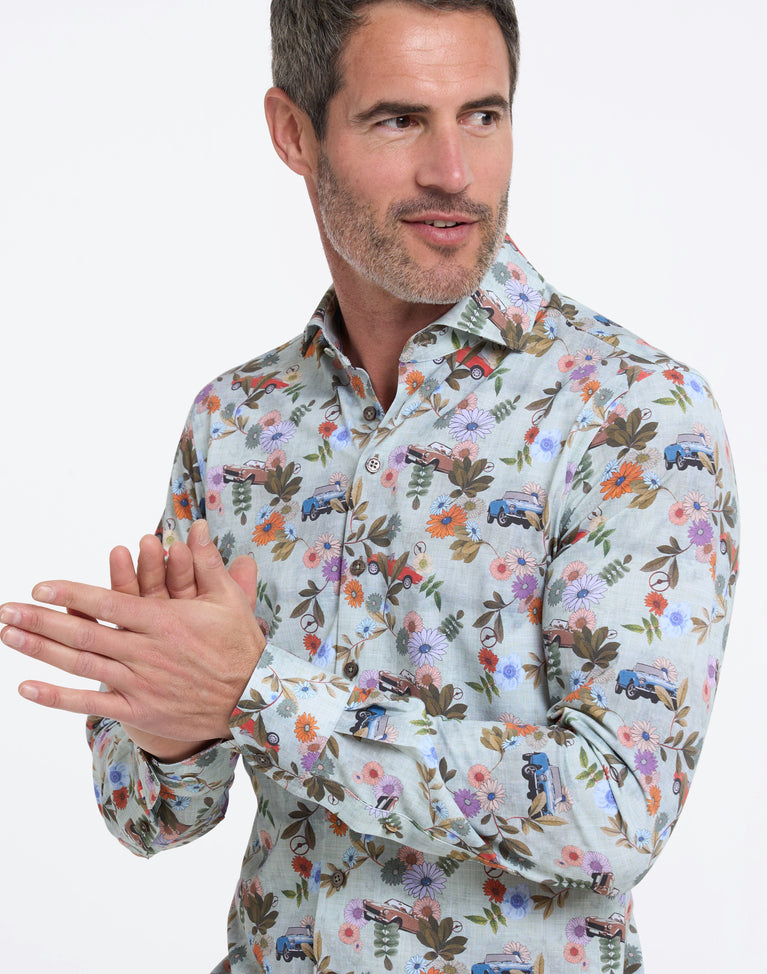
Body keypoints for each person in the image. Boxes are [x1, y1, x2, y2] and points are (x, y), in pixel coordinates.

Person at [1, 2, 739, 972]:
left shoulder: (631, 413)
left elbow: (614, 814)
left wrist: (257, 694)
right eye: (398, 119)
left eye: (482, 115)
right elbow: (146, 817)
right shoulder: (237, 420)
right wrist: (173, 733)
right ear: (293, 133)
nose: (453, 171)